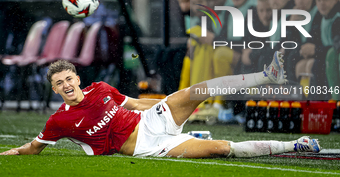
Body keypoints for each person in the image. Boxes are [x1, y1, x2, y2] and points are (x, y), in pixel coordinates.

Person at [0, 52, 321, 157]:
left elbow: (138, 104)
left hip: (152, 119)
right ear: (55, 91)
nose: (66, 85)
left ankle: (269, 75)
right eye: (59, 84)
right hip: (149, 146)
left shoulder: (101, 89)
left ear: (77, 78)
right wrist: (8, 153)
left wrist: (167, 100)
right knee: (223, 148)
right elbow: (33, 148)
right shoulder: (60, 121)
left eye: (69, 79)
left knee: (198, 89)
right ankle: (297, 143)